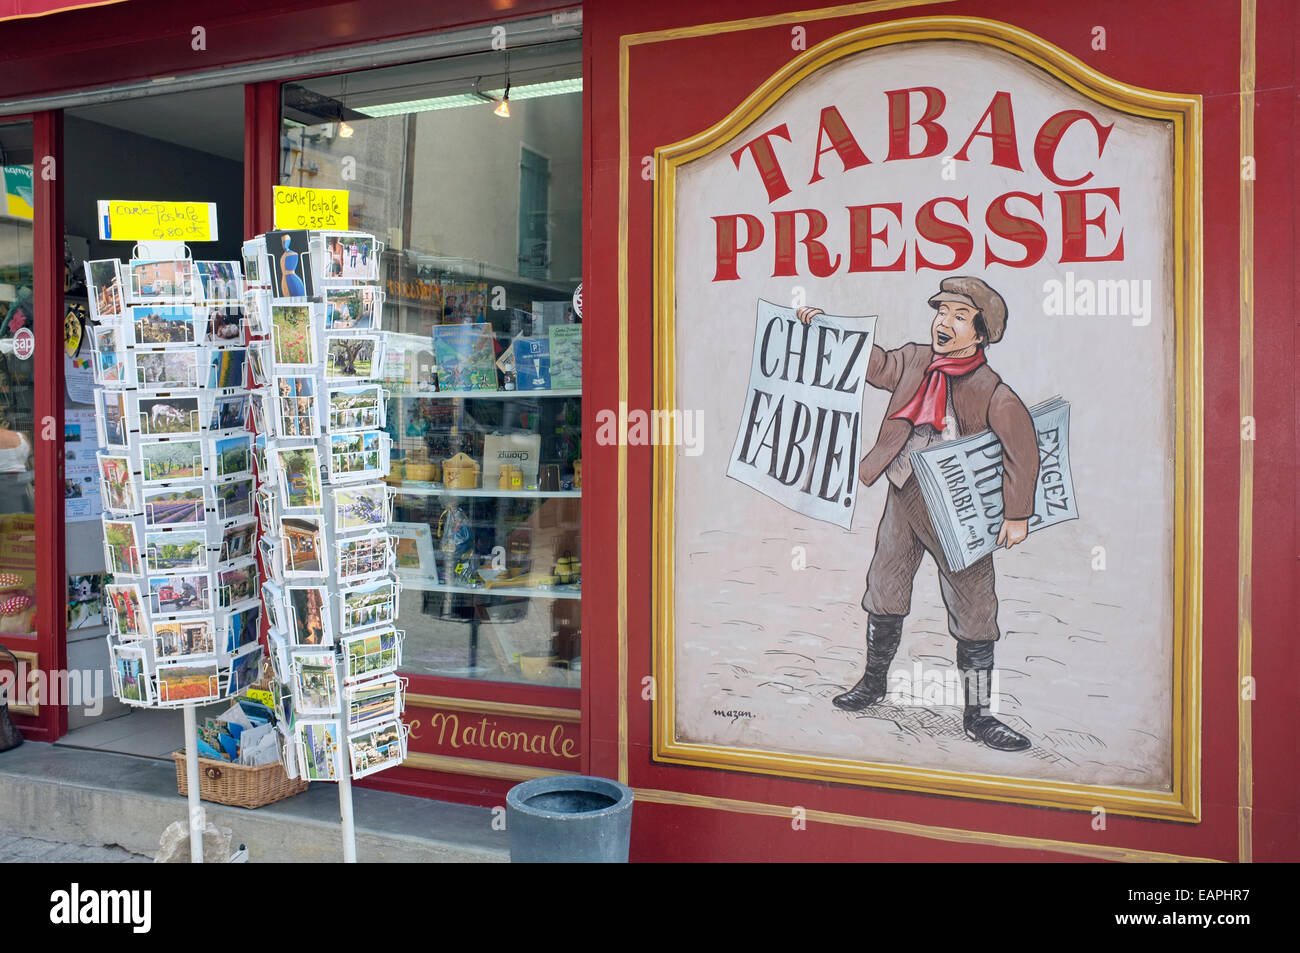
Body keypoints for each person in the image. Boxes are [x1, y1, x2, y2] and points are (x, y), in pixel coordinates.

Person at [796, 276, 1039, 752]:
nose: (944, 323)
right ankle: (873, 682)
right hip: (904, 494)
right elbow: (874, 363)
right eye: (941, 312)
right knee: (884, 589)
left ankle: (979, 715)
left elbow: (1022, 448)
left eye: (959, 316)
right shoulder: (914, 359)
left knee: (974, 609)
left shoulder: (992, 389)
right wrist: (823, 327)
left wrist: (1017, 514)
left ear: (982, 332)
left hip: (959, 512)